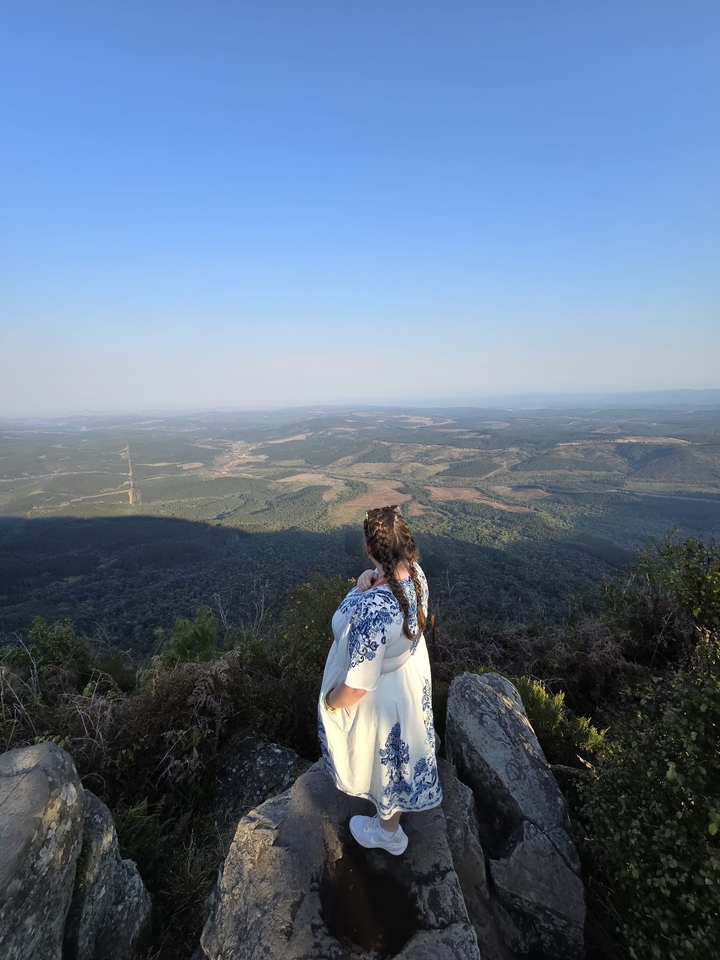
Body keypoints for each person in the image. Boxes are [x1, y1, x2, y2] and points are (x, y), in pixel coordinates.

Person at [318, 505, 442, 855]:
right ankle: (391, 819)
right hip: (408, 678)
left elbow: (357, 685)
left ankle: (387, 832)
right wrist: (365, 582)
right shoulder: (416, 574)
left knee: (387, 759)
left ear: (369, 549)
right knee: (404, 755)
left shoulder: (374, 609)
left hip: (383, 696)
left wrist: (330, 702)